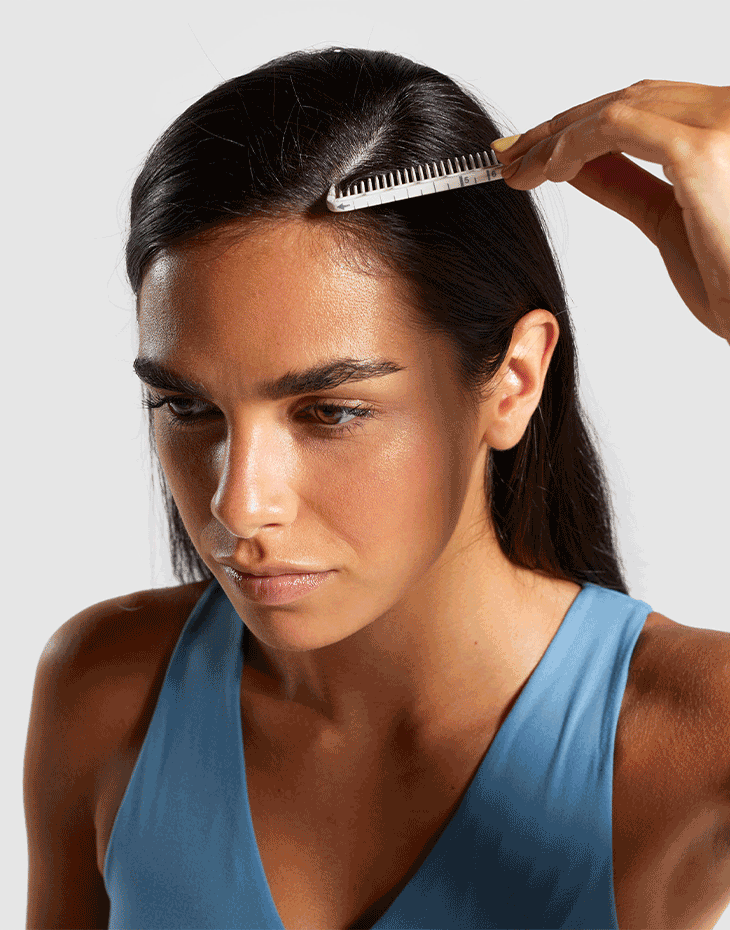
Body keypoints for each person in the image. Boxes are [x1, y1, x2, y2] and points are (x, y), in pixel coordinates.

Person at [23, 47, 730, 930]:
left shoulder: (694, 734)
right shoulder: (107, 690)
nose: (238, 505)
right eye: (187, 406)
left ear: (513, 382)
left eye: (331, 411)